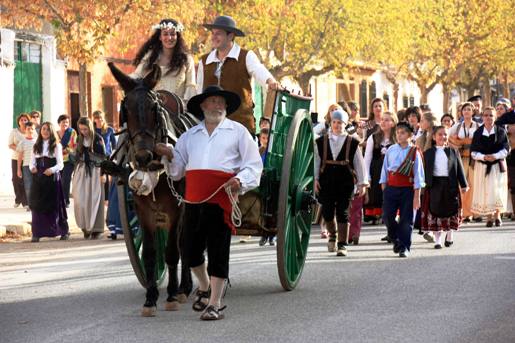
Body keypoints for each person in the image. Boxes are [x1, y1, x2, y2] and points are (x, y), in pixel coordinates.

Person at [156, 85, 262, 321]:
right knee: (189, 250)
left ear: (226, 106)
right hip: (193, 200)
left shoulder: (238, 132)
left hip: (222, 199)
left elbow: (254, 165)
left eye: (220, 102)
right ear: (203, 107)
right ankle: (203, 285)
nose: (217, 106)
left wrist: (239, 180)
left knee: (218, 250)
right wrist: (169, 154)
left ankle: (215, 303)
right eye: (212, 102)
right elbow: (177, 172)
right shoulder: (189, 136)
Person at [197, 15, 279, 134]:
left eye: (218, 33)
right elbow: (199, 92)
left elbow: (258, 69)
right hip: (211, 128)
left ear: (230, 36)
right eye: (212, 33)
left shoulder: (245, 56)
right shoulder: (204, 61)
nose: (213, 37)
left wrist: (270, 81)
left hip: (240, 127)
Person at [315, 109, 368, 256]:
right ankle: (332, 234)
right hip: (326, 179)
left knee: (343, 212)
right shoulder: (321, 141)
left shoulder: (352, 142)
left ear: (345, 124)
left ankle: (342, 244)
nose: (337, 125)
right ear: (330, 123)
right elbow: (317, 162)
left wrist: (362, 183)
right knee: (327, 212)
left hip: (345, 179)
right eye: (334, 122)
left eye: (340, 123)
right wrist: (315, 179)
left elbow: (359, 163)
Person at [380, 122, 425, 258]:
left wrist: (417, 196)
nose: (399, 135)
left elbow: (418, 175)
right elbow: (385, 170)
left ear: (410, 135)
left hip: (407, 189)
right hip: (391, 188)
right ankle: (396, 239)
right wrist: (384, 188)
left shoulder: (414, 152)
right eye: (398, 132)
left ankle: (404, 246)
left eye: (403, 132)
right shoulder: (391, 149)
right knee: (387, 216)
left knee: (406, 220)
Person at [421, 126, 468, 249]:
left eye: (445, 134)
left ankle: (450, 234)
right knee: (436, 211)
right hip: (434, 185)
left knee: (451, 210)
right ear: (434, 137)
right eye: (440, 134)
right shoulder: (428, 153)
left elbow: (459, 170)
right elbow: (423, 171)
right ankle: (437, 240)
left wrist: (464, 184)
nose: (443, 137)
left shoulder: (453, 151)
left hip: (450, 184)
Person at [132, 18, 196, 101]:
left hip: (180, 110)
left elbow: (191, 86)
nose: (169, 38)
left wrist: (187, 107)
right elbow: (137, 75)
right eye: (165, 34)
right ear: (160, 37)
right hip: (155, 110)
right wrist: (124, 80)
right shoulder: (150, 58)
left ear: (177, 36)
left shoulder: (187, 60)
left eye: (173, 34)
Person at [28, 122, 69, 242]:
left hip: (51, 177)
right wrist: (32, 168)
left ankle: (61, 231)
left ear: (51, 132)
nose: (45, 131)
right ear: (40, 131)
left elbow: (60, 164)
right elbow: (31, 162)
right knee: (37, 204)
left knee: (54, 204)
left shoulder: (56, 146)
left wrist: (51, 170)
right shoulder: (36, 145)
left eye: (48, 129)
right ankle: (37, 233)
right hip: (39, 177)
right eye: (43, 129)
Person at [471, 107, 509, 227]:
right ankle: (488, 217)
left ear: (495, 117)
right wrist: (483, 157)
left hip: (497, 165)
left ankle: (497, 215)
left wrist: (495, 156)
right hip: (482, 166)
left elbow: (506, 149)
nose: (488, 118)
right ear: (483, 117)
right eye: (486, 115)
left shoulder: (501, 131)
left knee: (496, 190)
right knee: (485, 191)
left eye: (491, 115)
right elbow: (473, 152)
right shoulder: (477, 133)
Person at [72, 117, 106, 239]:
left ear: (90, 127)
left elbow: (103, 158)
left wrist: (103, 174)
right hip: (82, 172)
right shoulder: (79, 138)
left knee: (94, 200)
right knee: (80, 200)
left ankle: (96, 229)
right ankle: (85, 226)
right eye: (81, 129)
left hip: (95, 172)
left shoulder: (98, 139)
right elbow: (77, 156)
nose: (83, 132)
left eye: (85, 129)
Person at [364, 112, 397, 233]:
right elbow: (367, 159)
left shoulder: (397, 138)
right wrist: (367, 176)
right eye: (382, 120)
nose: (383, 122)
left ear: (393, 123)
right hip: (377, 172)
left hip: (393, 173)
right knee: (378, 198)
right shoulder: (373, 138)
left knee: (392, 199)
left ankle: (391, 228)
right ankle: (386, 225)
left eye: (387, 120)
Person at [448, 102, 479, 222]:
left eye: (469, 109)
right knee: (463, 185)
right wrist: (456, 146)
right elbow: (447, 138)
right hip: (461, 159)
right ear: (461, 112)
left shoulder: (477, 126)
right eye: (464, 110)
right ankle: (465, 213)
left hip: (474, 159)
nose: (466, 111)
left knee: (474, 185)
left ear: (473, 111)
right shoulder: (457, 126)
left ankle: (474, 212)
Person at [8, 113, 30, 208]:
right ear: (19, 122)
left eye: (25, 120)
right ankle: (18, 199)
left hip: (27, 159)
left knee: (25, 180)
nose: (24, 121)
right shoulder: (14, 132)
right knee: (16, 179)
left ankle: (25, 202)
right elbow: (10, 144)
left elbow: (36, 141)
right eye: (22, 120)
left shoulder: (31, 130)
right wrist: (20, 149)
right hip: (16, 158)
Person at [56, 114, 77, 207]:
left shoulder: (72, 132)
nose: (65, 123)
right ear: (59, 123)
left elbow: (74, 145)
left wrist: (66, 150)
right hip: (58, 160)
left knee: (66, 179)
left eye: (67, 122)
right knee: (58, 180)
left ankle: (66, 201)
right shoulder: (55, 134)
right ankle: (59, 199)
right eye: (63, 122)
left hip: (68, 160)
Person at [16, 122, 37, 210]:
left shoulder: (37, 141)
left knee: (37, 185)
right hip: (26, 167)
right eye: (28, 129)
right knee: (28, 185)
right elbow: (20, 157)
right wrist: (18, 169)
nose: (30, 130)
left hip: (36, 167)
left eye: (32, 129)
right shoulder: (22, 142)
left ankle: (37, 204)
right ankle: (30, 205)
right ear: (25, 130)